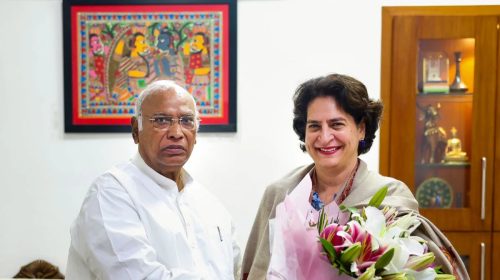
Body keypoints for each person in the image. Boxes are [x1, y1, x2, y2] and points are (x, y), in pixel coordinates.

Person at [241, 74, 468, 279]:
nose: (325, 136)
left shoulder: (390, 196)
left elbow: (418, 268)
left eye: (336, 124)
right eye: (314, 126)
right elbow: (255, 269)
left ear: (361, 129)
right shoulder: (281, 193)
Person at [66, 80, 241, 279]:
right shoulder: (111, 193)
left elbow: (234, 271)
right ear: (135, 130)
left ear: (196, 132)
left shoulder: (210, 205)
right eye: (161, 120)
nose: (176, 133)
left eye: (186, 121)